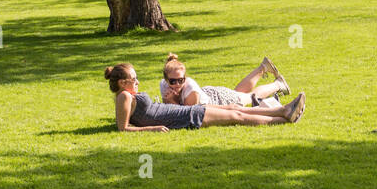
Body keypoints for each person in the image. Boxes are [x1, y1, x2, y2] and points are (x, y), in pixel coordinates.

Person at [105, 63, 306, 131]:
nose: (137, 81)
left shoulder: (128, 94)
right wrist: (153, 128)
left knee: (234, 109)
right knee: (237, 117)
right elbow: (123, 129)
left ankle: (284, 113)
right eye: (133, 79)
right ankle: (284, 114)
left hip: (183, 111)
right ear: (122, 83)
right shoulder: (124, 96)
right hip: (183, 118)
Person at [159, 53, 290, 110]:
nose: (177, 84)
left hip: (219, 99)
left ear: (185, 78)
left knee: (250, 97)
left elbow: (187, 115)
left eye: (180, 80)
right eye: (173, 81)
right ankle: (263, 68)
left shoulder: (190, 89)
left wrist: (171, 101)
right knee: (239, 93)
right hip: (211, 94)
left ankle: (278, 84)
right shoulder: (163, 85)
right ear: (166, 80)